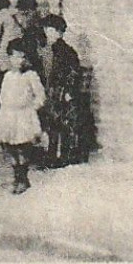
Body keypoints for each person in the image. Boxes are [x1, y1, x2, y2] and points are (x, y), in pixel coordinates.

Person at [0, 39, 46, 195]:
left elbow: (40, 96)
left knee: (23, 147)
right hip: (9, 114)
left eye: (22, 57)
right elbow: (3, 95)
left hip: (24, 115)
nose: (19, 61)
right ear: (9, 58)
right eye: (15, 57)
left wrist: (31, 109)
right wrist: (4, 111)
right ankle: (16, 177)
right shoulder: (7, 76)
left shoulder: (30, 75)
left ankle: (23, 178)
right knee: (11, 147)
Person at [41, 14, 84, 167]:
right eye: (48, 30)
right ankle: (51, 155)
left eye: (54, 31)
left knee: (62, 123)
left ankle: (64, 155)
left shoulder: (67, 51)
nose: (50, 34)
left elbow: (74, 72)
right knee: (51, 124)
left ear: (60, 33)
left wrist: (68, 91)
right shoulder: (46, 50)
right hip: (50, 91)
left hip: (61, 92)